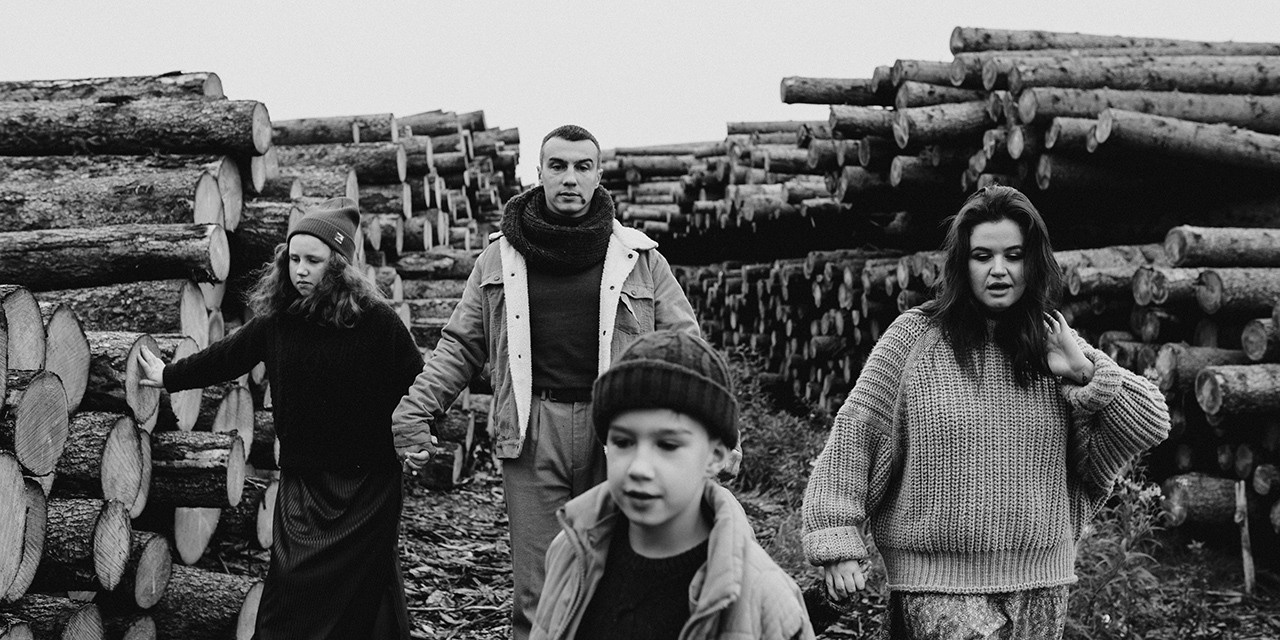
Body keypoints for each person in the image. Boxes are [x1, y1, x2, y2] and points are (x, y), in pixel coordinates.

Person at [801, 186, 1171, 640]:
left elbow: (1151, 420)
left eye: (1013, 255)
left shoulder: (1051, 340)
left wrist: (1084, 370)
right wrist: (835, 538)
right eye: (983, 256)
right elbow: (856, 436)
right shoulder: (915, 338)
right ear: (963, 263)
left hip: (1042, 582)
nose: (999, 270)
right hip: (936, 586)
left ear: (1032, 261)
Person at [393, 125, 700, 639]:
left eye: (583, 167)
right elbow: (461, 344)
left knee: (620, 577)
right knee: (537, 590)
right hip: (533, 432)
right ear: (538, 173)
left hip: (620, 438)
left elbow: (686, 349)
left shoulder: (638, 258)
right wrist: (415, 410)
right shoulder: (500, 257)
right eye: (557, 166)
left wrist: (718, 433)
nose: (570, 178)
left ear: (599, 175)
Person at [137, 197, 424, 640]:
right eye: (293, 259)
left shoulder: (377, 323)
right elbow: (225, 357)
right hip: (303, 486)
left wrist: (419, 435)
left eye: (314, 260)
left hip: (368, 488)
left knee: (364, 597)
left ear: (340, 264)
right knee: (287, 600)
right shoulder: (278, 322)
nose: (301, 270)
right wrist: (168, 375)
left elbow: (417, 385)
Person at [531, 330, 814, 640]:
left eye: (667, 445)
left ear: (716, 456)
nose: (639, 467)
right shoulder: (571, 551)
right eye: (623, 442)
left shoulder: (765, 597)